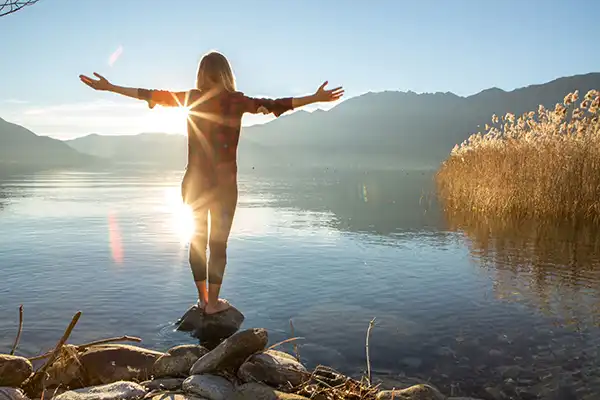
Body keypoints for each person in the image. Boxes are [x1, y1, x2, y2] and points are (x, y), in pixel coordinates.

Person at [79, 51, 344, 314]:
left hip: (193, 182)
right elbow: (278, 104)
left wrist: (110, 87)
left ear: (202, 74)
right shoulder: (237, 101)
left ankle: (203, 300)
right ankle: (214, 304)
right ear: (227, 74)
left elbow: (148, 93)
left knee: (196, 240)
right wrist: (315, 98)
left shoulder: (191, 98)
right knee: (218, 244)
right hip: (224, 185)